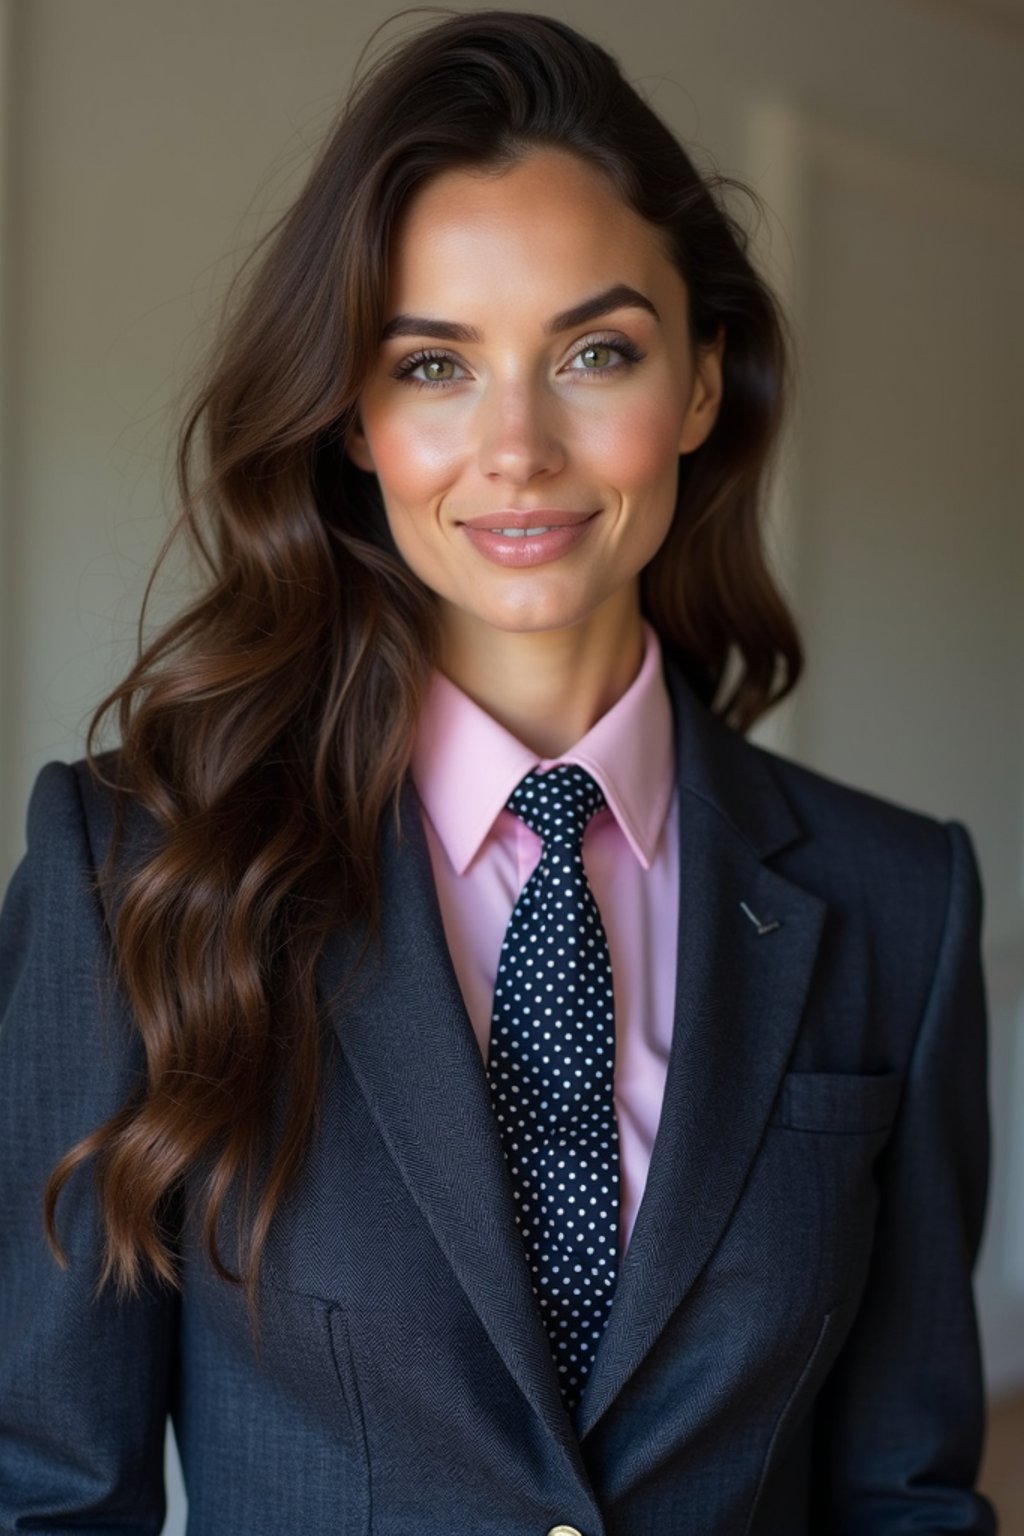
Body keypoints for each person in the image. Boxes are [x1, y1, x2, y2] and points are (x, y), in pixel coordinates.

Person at [0, 9, 995, 1534]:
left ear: (706, 384)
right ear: (353, 417)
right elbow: (50, 1497)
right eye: (434, 364)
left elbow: (906, 1497)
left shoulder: (899, 904)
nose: (516, 448)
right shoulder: (133, 870)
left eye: (598, 352)